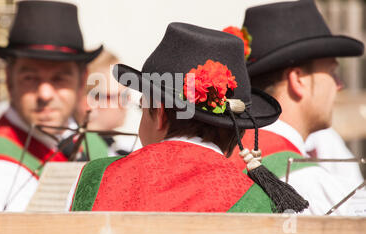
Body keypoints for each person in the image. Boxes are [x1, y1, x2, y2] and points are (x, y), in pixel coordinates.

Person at [66, 22, 309, 213]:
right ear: (237, 130)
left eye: (142, 107)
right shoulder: (259, 201)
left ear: (159, 113)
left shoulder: (92, 179)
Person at [0, 0, 108, 212]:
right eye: (30, 78)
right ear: (9, 80)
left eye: (60, 79)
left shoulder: (93, 144)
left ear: (81, 81)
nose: (45, 94)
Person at [229, 0, 366, 215]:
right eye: (331, 72)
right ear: (298, 79)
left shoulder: (221, 148)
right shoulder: (315, 186)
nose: (339, 85)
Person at [77, 50, 133, 155]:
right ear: (89, 102)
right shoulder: (84, 154)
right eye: (122, 96)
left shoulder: (113, 148)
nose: (128, 101)